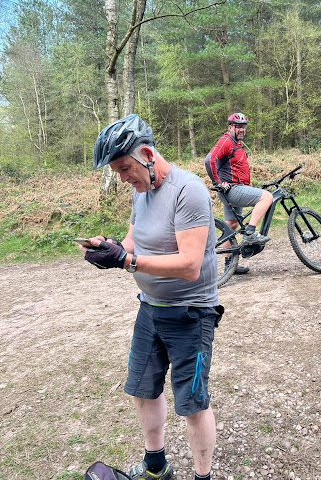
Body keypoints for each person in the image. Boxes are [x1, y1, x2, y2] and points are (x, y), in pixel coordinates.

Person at [79, 114, 223, 480]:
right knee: (142, 389)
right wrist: (110, 249)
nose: (123, 178)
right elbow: (133, 241)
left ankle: (202, 476)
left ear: (146, 154)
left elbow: (190, 265)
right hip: (150, 309)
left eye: (125, 168)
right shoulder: (140, 191)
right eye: (117, 172)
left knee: (192, 403)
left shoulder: (188, 190)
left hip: (191, 313)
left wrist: (127, 261)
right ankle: (156, 467)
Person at [205, 112, 273, 275]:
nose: (242, 130)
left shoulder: (236, 143)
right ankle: (250, 233)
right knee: (267, 197)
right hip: (233, 190)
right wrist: (217, 182)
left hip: (231, 190)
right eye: (238, 127)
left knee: (231, 225)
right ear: (231, 127)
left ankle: (230, 265)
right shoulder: (226, 141)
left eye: (243, 127)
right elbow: (209, 159)